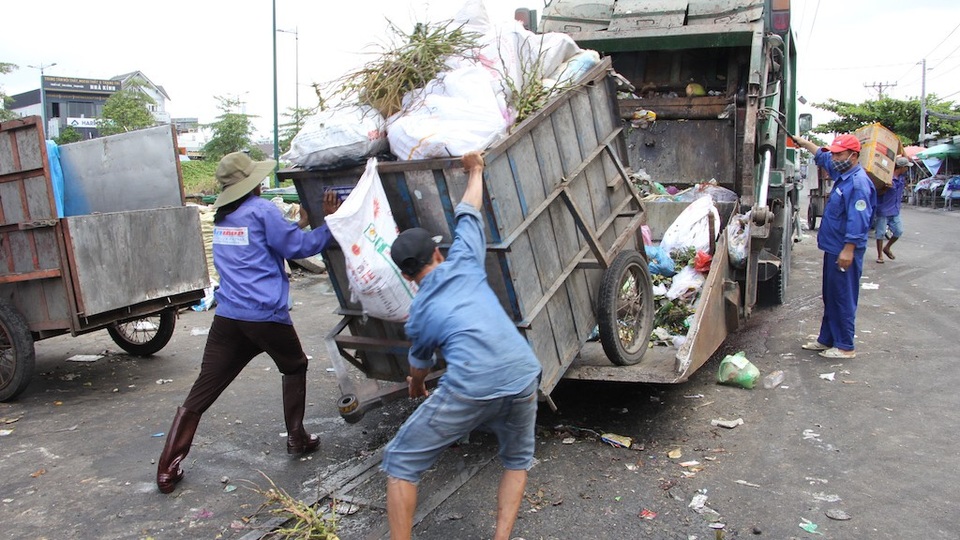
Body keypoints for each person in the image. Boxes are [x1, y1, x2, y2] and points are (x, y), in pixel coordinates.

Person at [156, 151, 341, 494]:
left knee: (203, 389)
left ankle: (167, 468)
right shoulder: (262, 209)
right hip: (265, 316)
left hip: (229, 317)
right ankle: (297, 437)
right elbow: (297, 248)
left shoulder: (224, 217)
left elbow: (262, 244)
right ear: (253, 183)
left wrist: (297, 223)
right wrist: (330, 222)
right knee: (295, 365)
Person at [382, 151, 542, 540]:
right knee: (517, 459)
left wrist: (416, 384)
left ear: (407, 276)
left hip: (473, 385)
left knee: (400, 462)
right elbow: (468, 211)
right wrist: (476, 170)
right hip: (523, 373)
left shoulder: (419, 312)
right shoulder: (466, 260)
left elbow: (419, 365)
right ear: (438, 253)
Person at [791, 133, 877, 359]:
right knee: (830, 295)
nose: (835, 158)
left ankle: (845, 346)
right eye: (834, 153)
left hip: (844, 250)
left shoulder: (858, 184)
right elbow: (823, 157)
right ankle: (827, 339)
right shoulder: (843, 173)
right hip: (833, 248)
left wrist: (849, 249)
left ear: (853, 156)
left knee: (842, 296)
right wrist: (805, 143)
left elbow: (858, 221)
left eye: (839, 154)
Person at [874, 156, 911, 263]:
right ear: (902, 167)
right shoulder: (887, 178)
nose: (907, 169)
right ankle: (880, 255)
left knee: (898, 231)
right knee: (880, 233)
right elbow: (877, 192)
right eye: (906, 167)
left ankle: (887, 248)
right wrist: (885, 187)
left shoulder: (901, 178)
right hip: (883, 209)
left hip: (895, 210)